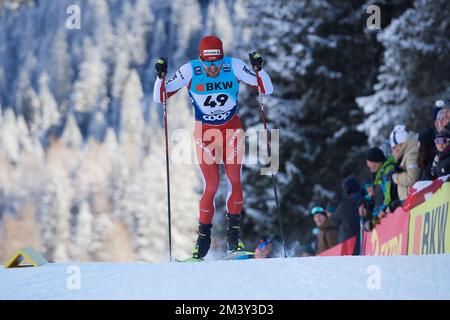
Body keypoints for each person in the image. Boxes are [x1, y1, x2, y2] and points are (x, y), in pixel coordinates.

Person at [153, 35, 273, 260]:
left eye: (217, 62)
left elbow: (266, 88)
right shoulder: (190, 70)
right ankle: (203, 240)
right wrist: (160, 77)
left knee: (235, 180)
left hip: (231, 131)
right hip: (205, 134)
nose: (213, 68)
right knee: (212, 185)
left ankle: (233, 239)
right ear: (200, 59)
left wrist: (259, 70)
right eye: (208, 63)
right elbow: (159, 97)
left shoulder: (234, 65)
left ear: (222, 57)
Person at [389, 125, 420, 202]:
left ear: (400, 145)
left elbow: (412, 178)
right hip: (410, 199)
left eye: (393, 147)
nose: (393, 151)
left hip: (413, 199)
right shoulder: (407, 153)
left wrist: (395, 177)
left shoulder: (411, 154)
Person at [365, 147, 397, 218]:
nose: (367, 164)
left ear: (374, 161)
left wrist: (384, 209)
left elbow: (389, 193)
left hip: (394, 212)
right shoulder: (380, 173)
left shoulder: (388, 170)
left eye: (368, 161)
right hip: (389, 213)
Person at [334, 177, 362, 254]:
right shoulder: (362, 201)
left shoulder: (343, 205)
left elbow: (335, 221)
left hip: (347, 241)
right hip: (357, 240)